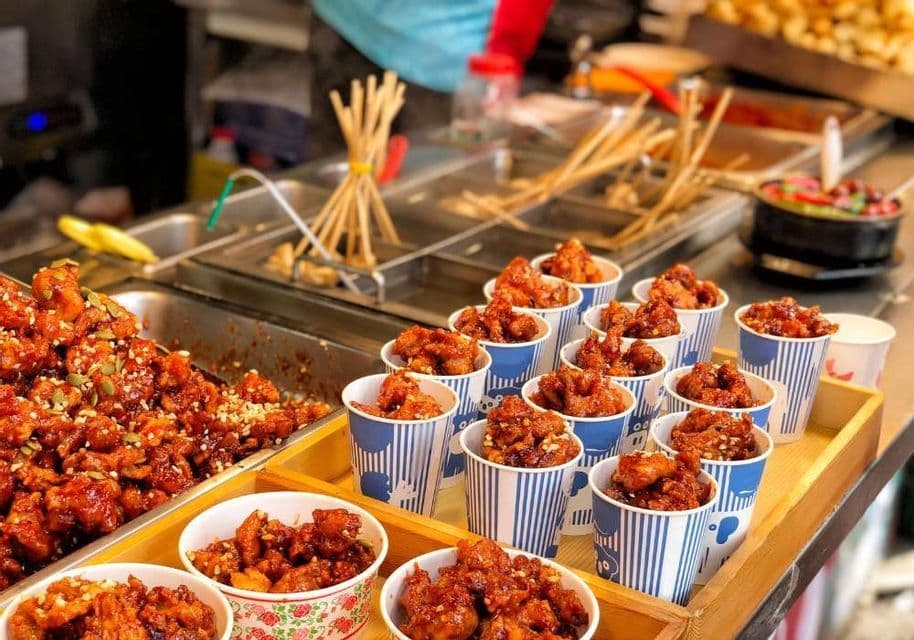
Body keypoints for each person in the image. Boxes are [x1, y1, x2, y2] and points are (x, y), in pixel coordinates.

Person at [307, 0, 554, 156]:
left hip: (443, 53)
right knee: (336, 163)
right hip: (347, 20)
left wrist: (504, 53)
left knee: (418, 178)